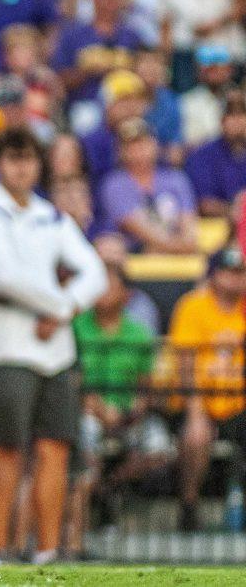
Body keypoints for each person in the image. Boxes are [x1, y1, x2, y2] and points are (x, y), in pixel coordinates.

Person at [0, 127, 106, 564]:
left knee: (54, 449)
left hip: (55, 352)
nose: (22, 167)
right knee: (7, 447)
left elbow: (96, 273)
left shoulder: (51, 216)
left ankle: (48, 548)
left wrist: (61, 310)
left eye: (28, 158)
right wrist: (60, 306)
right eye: (12, 159)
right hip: (5, 349)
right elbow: (0, 275)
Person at [69, 261, 170, 545]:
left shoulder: (138, 333)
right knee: (85, 437)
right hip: (87, 411)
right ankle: (89, 511)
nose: (102, 292)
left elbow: (148, 383)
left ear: (126, 295)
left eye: (110, 285)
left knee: (160, 447)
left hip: (129, 416)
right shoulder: (77, 327)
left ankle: (108, 487)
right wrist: (97, 407)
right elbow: (69, 378)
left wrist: (138, 405)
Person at [167, 247, 246, 532]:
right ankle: (189, 505)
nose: (236, 279)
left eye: (241, 273)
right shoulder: (194, 306)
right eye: (229, 272)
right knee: (197, 434)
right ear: (213, 275)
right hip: (199, 400)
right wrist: (196, 408)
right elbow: (185, 364)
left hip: (238, 404)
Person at [51, 0, 143, 134]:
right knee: (86, 120)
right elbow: (60, 79)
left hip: (128, 105)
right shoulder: (73, 34)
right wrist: (87, 71)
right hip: (87, 105)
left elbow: (145, 73)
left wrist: (124, 68)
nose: (108, 1)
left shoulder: (132, 35)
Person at [98, 118, 199, 254]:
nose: (138, 151)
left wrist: (187, 243)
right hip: (134, 253)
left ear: (155, 145)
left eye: (143, 144)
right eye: (131, 146)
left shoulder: (176, 179)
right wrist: (178, 247)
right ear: (120, 151)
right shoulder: (114, 183)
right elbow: (136, 227)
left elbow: (188, 222)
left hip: (178, 251)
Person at [186, 90, 246, 217]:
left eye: (242, 115)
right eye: (231, 115)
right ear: (221, 121)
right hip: (217, 224)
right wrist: (236, 210)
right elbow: (204, 205)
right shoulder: (202, 155)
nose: (238, 121)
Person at [180, 44, 236, 147]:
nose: (215, 72)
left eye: (219, 67)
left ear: (229, 70)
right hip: (202, 158)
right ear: (199, 71)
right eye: (210, 68)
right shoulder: (186, 102)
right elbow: (188, 143)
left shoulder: (240, 98)